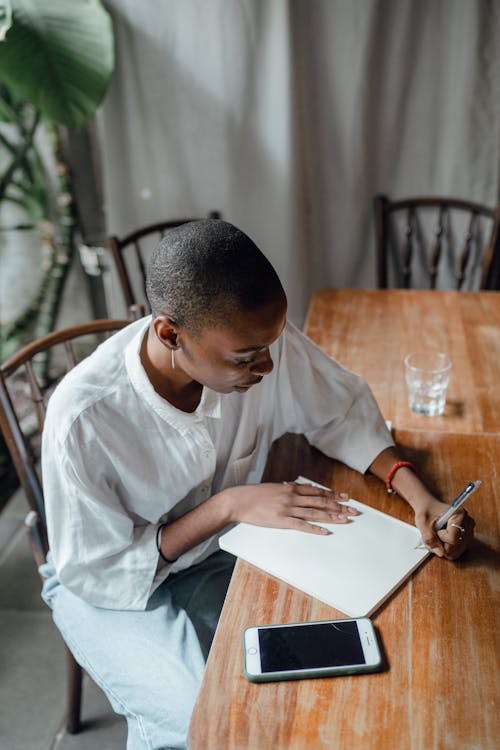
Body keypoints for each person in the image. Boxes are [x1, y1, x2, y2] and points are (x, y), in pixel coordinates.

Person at [40, 219, 474, 750]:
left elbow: (340, 413)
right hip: (105, 583)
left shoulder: (254, 339)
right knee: (194, 720)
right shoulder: (83, 418)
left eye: (270, 344)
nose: (268, 365)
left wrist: (419, 494)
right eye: (247, 358)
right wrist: (228, 505)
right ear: (170, 334)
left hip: (213, 552)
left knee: (334, 649)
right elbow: (96, 568)